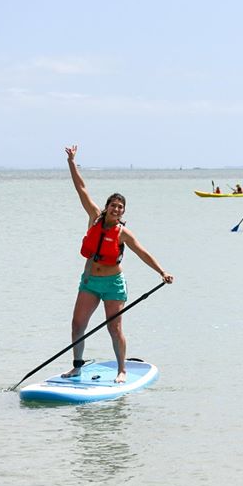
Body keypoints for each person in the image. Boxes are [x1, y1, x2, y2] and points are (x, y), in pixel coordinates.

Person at [63, 145, 174, 382]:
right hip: (90, 282)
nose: (116, 209)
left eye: (120, 207)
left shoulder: (123, 233)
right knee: (77, 325)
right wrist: (72, 162)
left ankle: (122, 370)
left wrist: (162, 271)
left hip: (113, 284)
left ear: (123, 212)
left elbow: (143, 252)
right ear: (106, 207)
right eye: (113, 205)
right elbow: (81, 188)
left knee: (114, 329)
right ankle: (77, 366)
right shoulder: (94, 217)